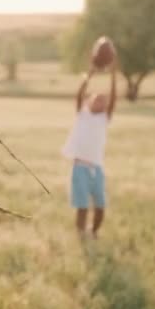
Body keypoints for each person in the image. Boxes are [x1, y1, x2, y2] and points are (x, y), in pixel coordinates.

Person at [62, 49, 118, 240]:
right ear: (89, 102)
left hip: (97, 169)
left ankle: (93, 232)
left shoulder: (104, 118)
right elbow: (79, 94)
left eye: (104, 100)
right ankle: (81, 234)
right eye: (97, 98)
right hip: (80, 168)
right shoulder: (82, 114)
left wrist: (113, 75)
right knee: (82, 207)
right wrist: (91, 72)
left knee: (100, 206)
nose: (101, 101)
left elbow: (114, 97)